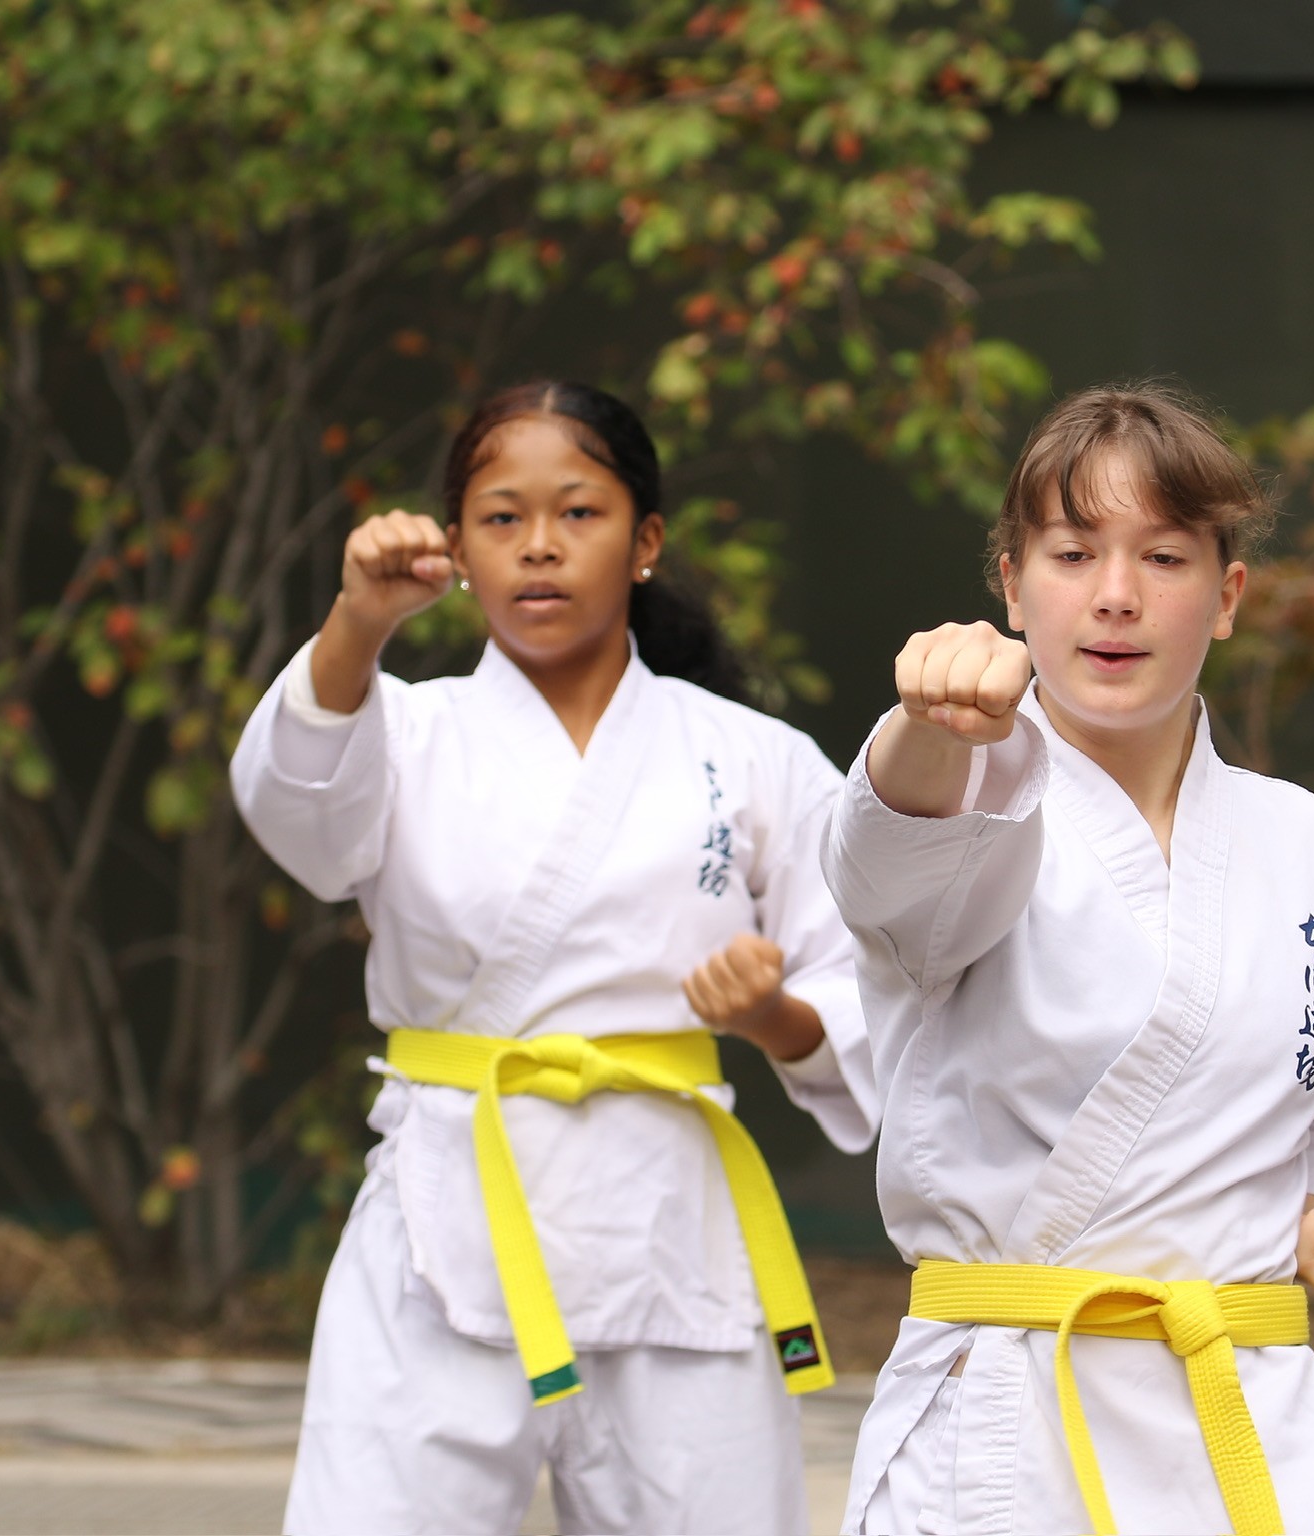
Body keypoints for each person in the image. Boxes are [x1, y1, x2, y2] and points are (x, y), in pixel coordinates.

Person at [229, 381, 875, 1536]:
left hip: (670, 1219)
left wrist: (774, 1015)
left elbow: (858, 984)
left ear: (646, 542)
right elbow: (302, 821)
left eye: (579, 513)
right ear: (458, 551)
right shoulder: (405, 728)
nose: (539, 547)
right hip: (448, 1213)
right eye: (500, 517)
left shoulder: (752, 757)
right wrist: (358, 623)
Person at [821, 383, 1314, 1536]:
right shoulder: (969, 794)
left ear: (1228, 593)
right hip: (1004, 1426)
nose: (1114, 596)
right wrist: (922, 726)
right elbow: (885, 874)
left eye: (1162, 556)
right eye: (1070, 552)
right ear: (1010, 582)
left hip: (1239, 1421)